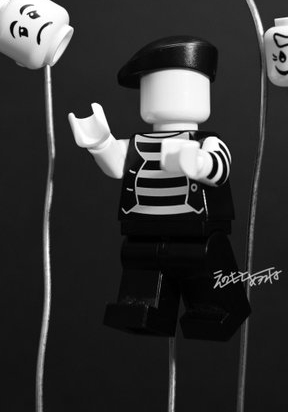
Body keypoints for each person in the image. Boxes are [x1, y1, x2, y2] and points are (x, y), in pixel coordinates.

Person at [69, 35, 250, 341]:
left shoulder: (205, 142)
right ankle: (141, 309)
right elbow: (117, 165)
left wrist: (198, 163)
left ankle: (213, 310)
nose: (168, 97)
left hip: (196, 233)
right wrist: (100, 144)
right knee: (142, 269)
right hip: (143, 232)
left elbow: (219, 168)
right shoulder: (139, 144)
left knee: (203, 271)